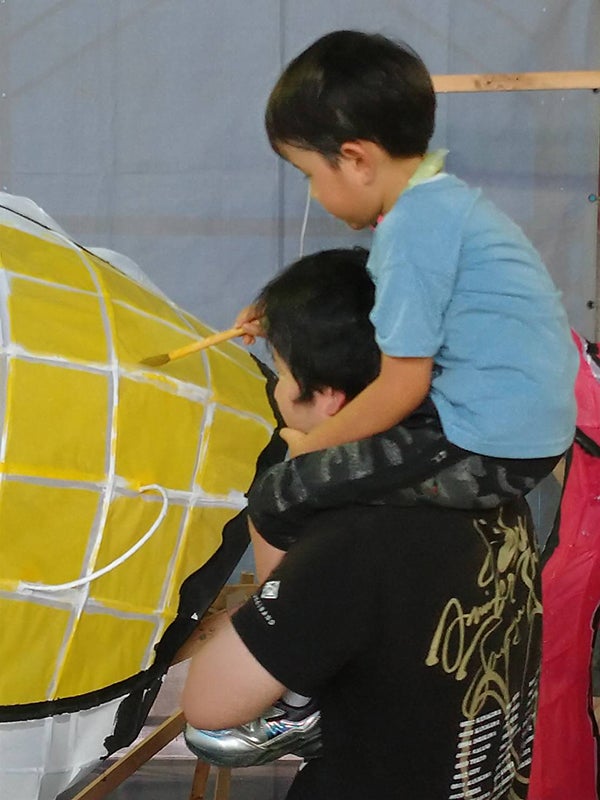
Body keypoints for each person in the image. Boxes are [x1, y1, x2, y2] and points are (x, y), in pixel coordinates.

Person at [183, 248, 543, 799]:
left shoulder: (354, 538)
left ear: (329, 399)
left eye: (282, 371)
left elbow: (209, 705)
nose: (277, 389)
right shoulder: (490, 490)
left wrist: (291, 491)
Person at [236, 29, 578, 564]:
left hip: (490, 445)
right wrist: (282, 314)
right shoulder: (440, 202)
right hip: (519, 429)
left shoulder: (410, 231)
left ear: (356, 159)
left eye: (309, 175)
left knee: (280, 495)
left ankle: (277, 617)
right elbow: (386, 304)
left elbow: (402, 384)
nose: (314, 193)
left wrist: (314, 447)